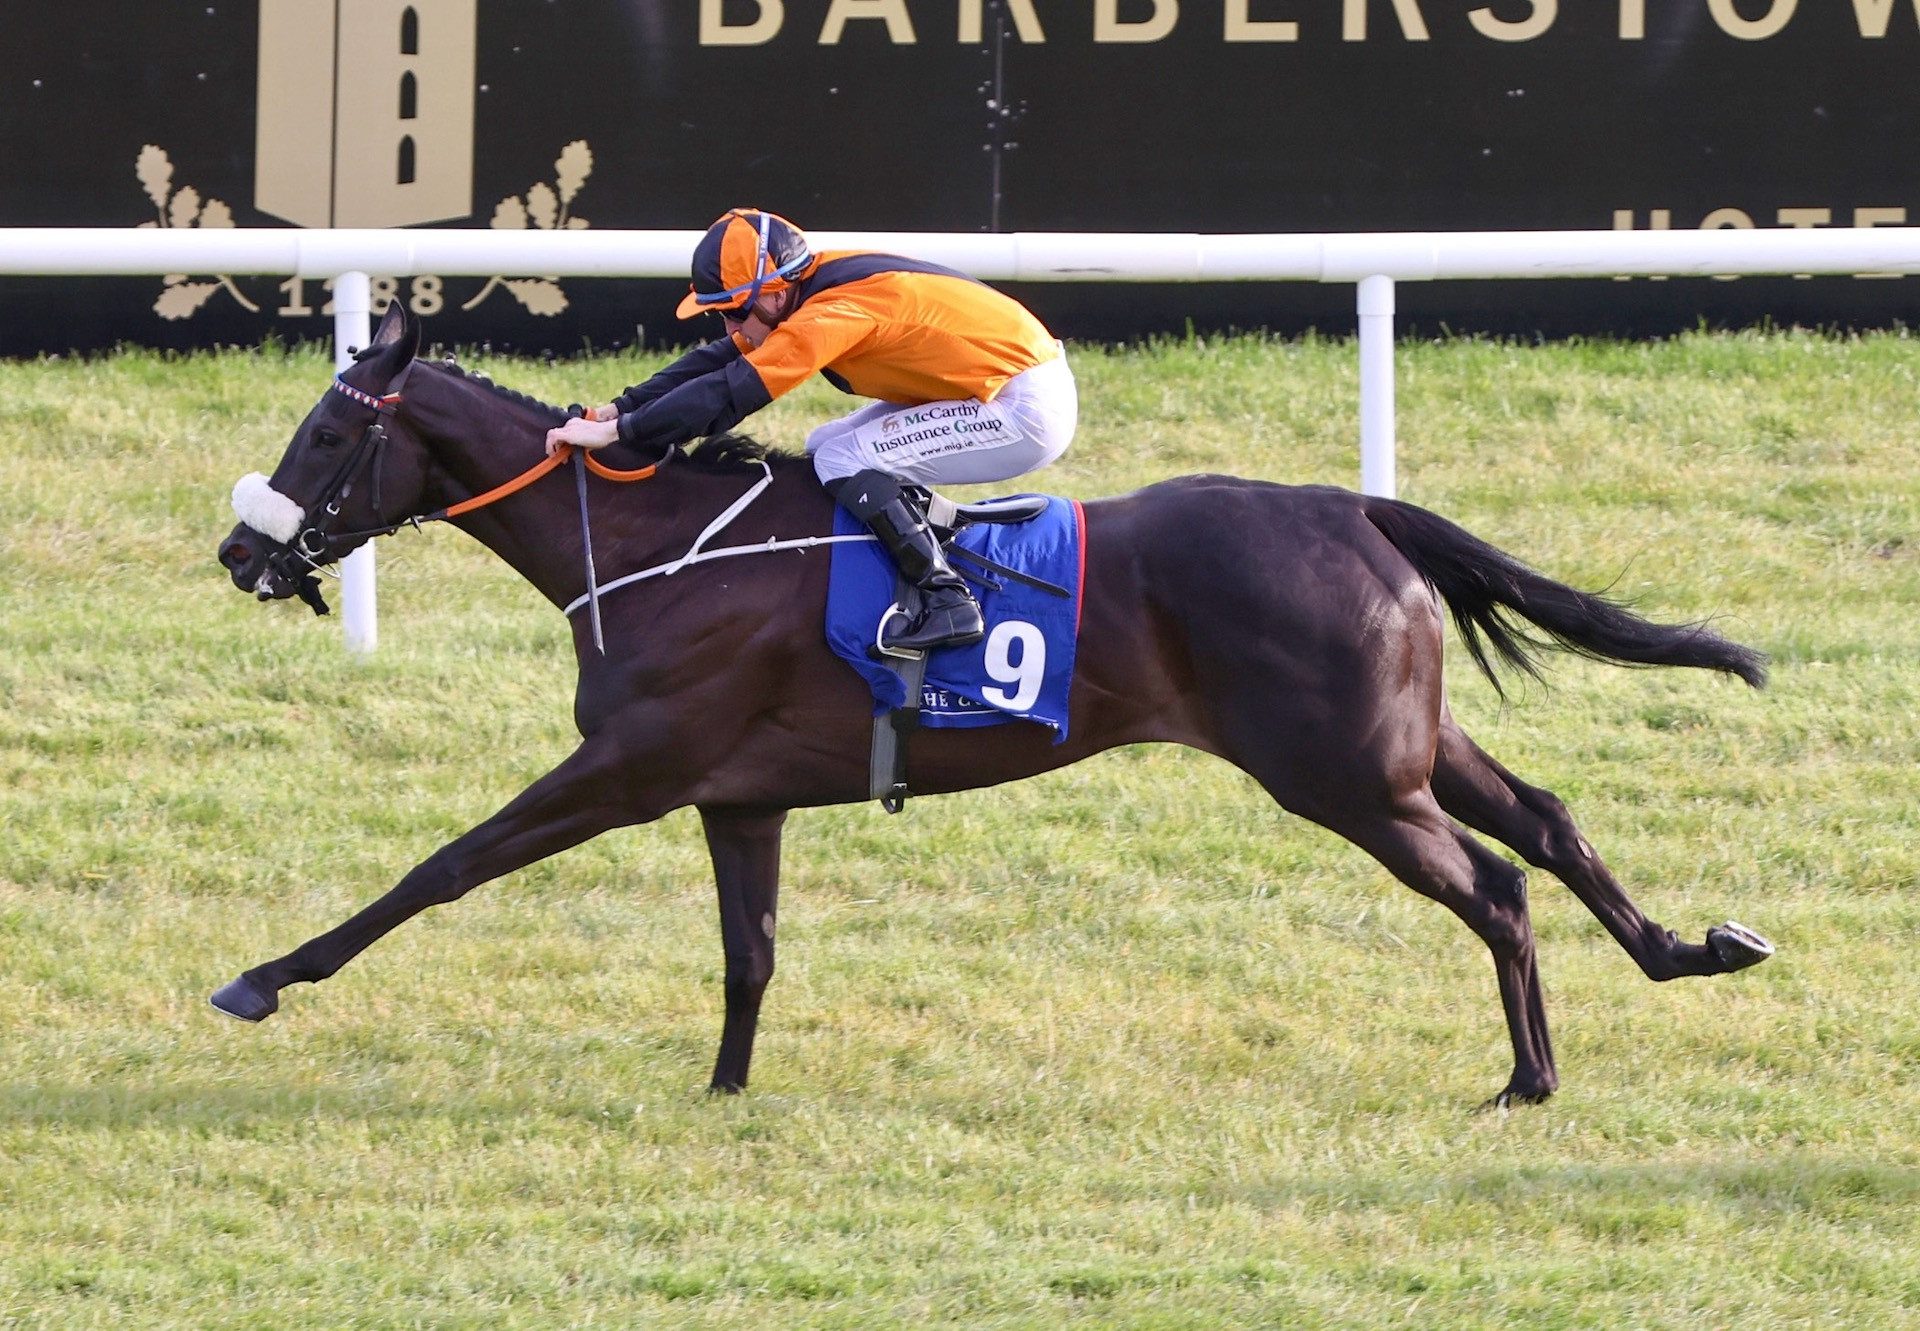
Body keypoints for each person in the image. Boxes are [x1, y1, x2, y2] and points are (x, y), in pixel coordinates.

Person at [545, 208, 1076, 653]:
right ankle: (930, 531)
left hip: (1022, 406)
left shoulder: (831, 312)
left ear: (774, 294)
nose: (730, 328)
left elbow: (731, 393)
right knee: (825, 446)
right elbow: (722, 358)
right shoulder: (805, 286)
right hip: (995, 385)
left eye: (734, 312)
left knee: (843, 460)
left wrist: (626, 433)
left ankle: (947, 599)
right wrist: (620, 410)